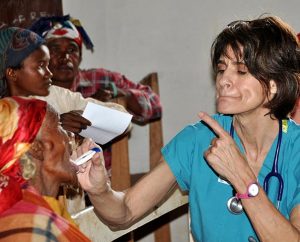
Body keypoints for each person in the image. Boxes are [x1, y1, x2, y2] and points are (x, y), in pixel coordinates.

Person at [76, 16, 300, 242]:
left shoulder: (296, 150)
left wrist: (242, 178)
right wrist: (99, 190)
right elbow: (125, 211)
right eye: (222, 69)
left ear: (275, 86)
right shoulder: (199, 139)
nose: (223, 80)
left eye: (241, 71)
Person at [0, 26, 129, 170]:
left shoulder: (53, 95)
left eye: (47, 65)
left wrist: (87, 117)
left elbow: (122, 119)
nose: (49, 73)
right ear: (11, 72)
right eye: (40, 66)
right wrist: (55, 128)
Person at [29, 14, 162, 124]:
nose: (65, 57)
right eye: (55, 49)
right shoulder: (32, 89)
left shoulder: (100, 79)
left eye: (72, 49)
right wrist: (89, 106)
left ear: (80, 57)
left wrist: (121, 94)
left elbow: (155, 105)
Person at [0, 96, 90, 241]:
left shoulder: (36, 211)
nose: (70, 135)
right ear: (37, 148)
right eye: (59, 126)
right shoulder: (31, 225)